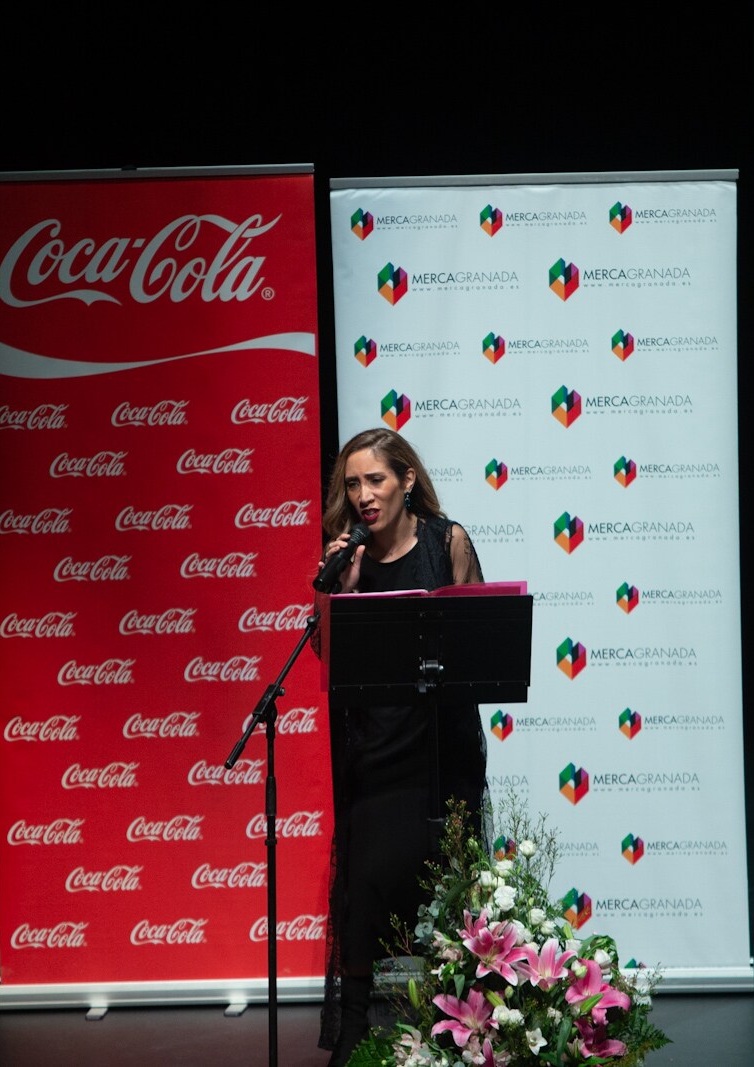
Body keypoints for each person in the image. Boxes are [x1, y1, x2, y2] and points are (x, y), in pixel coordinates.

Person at [313, 427, 488, 1066]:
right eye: (352, 483)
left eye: (375, 479)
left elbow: (477, 641)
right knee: (366, 896)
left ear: (406, 480)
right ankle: (357, 1036)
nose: (363, 494)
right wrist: (344, 589)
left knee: (447, 899)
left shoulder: (448, 542)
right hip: (375, 754)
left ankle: (460, 1034)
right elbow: (327, 659)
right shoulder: (346, 559)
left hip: (440, 752)